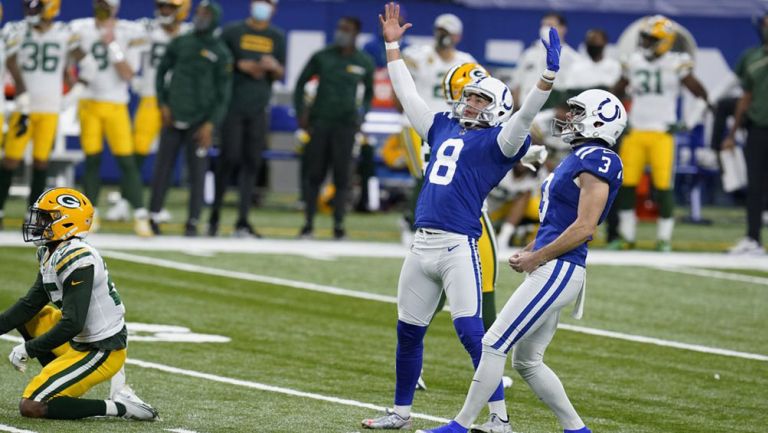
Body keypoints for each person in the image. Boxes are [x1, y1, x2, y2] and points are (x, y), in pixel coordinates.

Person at [361, 4, 556, 431]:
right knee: (408, 332)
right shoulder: (442, 126)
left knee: (473, 334)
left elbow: (524, 117)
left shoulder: (499, 142)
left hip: (457, 245)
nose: (470, 102)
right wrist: (392, 44)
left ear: (497, 106)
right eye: (469, 95)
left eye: (481, 98)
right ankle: (401, 412)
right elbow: (408, 92)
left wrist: (546, 81)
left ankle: (499, 418)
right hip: (421, 243)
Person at [415, 91, 626, 433]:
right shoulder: (579, 156)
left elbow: (586, 227)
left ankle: (460, 425)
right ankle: (575, 429)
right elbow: (560, 222)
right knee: (527, 361)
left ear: (601, 119)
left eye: (577, 112)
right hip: (553, 264)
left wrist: (538, 257)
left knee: (493, 342)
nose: (569, 117)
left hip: (560, 268)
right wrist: (532, 249)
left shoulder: (599, 159)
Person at [0, 187, 158, 421]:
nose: (37, 223)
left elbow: (73, 322)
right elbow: (28, 305)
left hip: (101, 349)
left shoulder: (78, 258)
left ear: (65, 223)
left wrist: (29, 349)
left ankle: (119, 407)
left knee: (32, 406)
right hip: (79, 341)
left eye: (45, 218)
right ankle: (60, 381)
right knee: (32, 315)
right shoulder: (51, 251)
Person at [611, 15, 710, 252]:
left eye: (651, 38)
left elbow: (702, 95)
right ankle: (627, 236)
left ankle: (664, 238)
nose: (645, 42)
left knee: (664, 186)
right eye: (644, 37)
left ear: (665, 41)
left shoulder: (676, 63)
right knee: (627, 186)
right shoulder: (633, 61)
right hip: (635, 131)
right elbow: (616, 91)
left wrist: (686, 122)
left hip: (662, 133)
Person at [148, 0, 232, 236]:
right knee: (162, 168)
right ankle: (153, 215)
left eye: (206, 14)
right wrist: (163, 103)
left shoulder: (221, 52)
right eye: (199, 13)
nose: (201, 17)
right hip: (174, 115)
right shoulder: (181, 43)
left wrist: (210, 123)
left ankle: (193, 221)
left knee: (197, 172)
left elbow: (223, 94)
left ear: (214, 18)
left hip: (200, 121)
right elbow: (161, 72)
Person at [69, 0, 152, 237]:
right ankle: (90, 215)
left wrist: (112, 43)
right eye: (100, 3)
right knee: (92, 161)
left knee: (127, 162)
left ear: (116, 7)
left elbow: (127, 73)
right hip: (89, 103)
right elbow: (67, 53)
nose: (103, 9)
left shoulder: (129, 31)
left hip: (116, 105)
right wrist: (81, 66)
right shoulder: (80, 27)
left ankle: (140, 215)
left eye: (107, 5)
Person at [104, 0, 191, 222]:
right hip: (152, 96)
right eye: (162, 6)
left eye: (170, 7)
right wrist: (135, 78)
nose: (164, 11)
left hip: (179, 100)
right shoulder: (146, 28)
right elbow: (122, 36)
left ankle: (157, 206)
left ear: (182, 10)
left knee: (170, 154)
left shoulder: (190, 33)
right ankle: (125, 201)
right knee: (138, 149)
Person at [208, 0, 286, 238]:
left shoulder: (276, 36)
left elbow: (281, 72)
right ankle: (214, 217)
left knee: (252, 162)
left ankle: (242, 221)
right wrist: (239, 65)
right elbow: (217, 61)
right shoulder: (233, 31)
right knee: (228, 159)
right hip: (233, 105)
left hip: (258, 107)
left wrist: (273, 66)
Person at [293, 16, 374, 240]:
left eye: (346, 29)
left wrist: (362, 114)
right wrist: (301, 112)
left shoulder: (363, 61)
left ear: (356, 33)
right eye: (340, 28)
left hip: (346, 126)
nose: (341, 33)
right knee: (314, 174)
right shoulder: (322, 57)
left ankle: (338, 225)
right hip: (320, 123)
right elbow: (301, 83)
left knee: (342, 177)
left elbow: (368, 93)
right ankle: (308, 223)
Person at [722, 12, 768, 255]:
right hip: (759, 127)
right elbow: (745, 98)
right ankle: (753, 238)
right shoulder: (752, 57)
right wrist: (732, 133)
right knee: (755, 185)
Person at [512, 11, 579, 110]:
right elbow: (517, 83)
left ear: (562, 29)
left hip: (551, 112)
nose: (545, 29)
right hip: (525, 108)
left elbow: (571, 90)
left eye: (550, 25)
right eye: (543, 25)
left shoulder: (572, 57)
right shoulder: (529, 53)